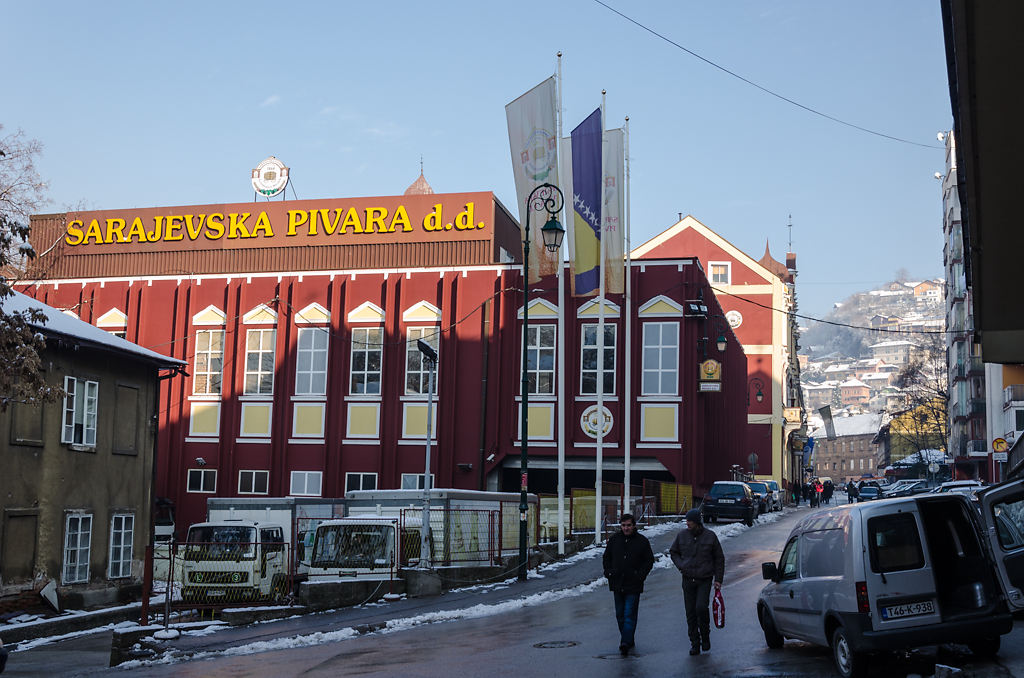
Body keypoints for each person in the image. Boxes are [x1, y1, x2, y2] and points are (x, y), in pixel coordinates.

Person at [670, 508, 725, 656]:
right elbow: (673, 552)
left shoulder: (710, 537)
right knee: (690, 613)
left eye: (690, 521)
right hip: (687, 579)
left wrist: (718, 579)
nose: (687, 523)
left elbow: (719, 558)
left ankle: (705, 635)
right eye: (687, 520)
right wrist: (681, 565)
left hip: (704, 579)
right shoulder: (682, 536)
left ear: (697, 522)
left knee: (701, 607)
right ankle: (695, 643)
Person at [603, 513, 655, 657]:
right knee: (620, 614)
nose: (626, 528)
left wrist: (640, 575)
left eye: (628, 525)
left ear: (634, 526)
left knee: (629, 614)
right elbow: (606, 558)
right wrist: (609, 572)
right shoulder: (614, 540)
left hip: (633, 584)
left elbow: (649, 560)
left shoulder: (642, 541)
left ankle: (625, 641)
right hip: (617, 582)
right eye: (623, 525)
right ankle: (628, 638)